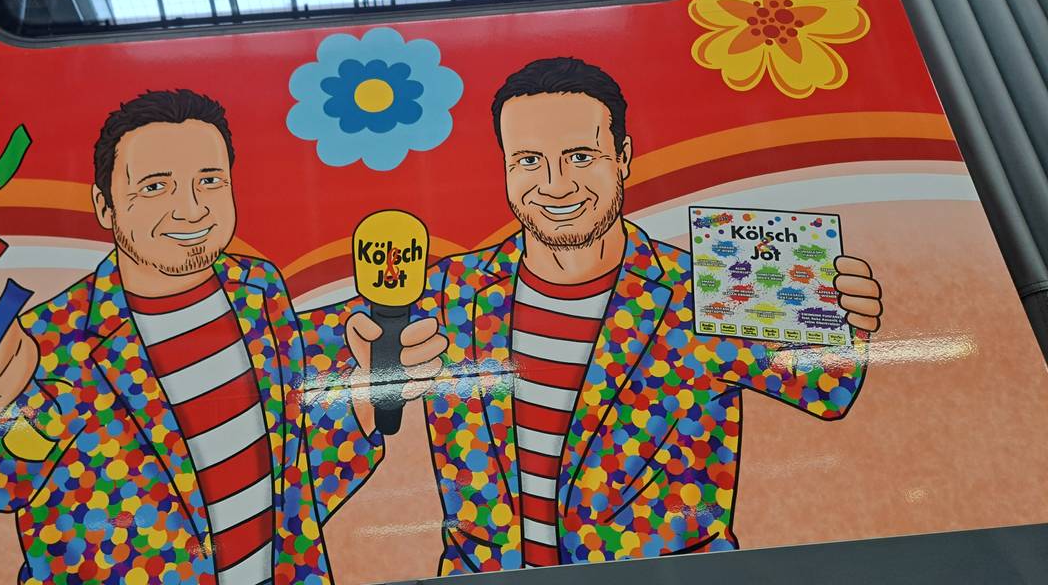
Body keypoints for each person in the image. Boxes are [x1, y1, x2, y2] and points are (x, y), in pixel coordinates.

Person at [306, 57, 884, 574]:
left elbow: (827, 389)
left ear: (623, 158)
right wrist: (363, 393)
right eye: (529, 160)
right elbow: (287, 373)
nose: (555, 185)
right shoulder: (443, 292)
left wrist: (844, 322)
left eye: (580, 157)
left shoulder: (710, 284)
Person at [0, 89, 441, 585]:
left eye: (210, 181)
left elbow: (287, 476)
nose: (192, 209)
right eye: (155, 187)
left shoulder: (259, 291)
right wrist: (6, 403)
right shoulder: (46, 340)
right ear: (104, 207)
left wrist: (363, 405)